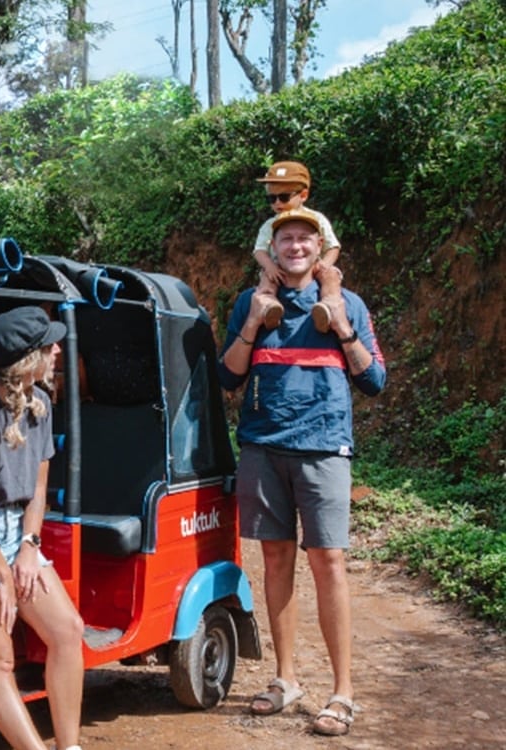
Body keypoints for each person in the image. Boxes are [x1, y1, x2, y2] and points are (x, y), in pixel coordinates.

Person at [217, 207, 386, 738]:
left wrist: (340, 327)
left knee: (329, 561)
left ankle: (343, 692)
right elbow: (227, 376)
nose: (295, 246)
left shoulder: (348, 303)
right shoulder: (251, 301)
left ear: (319, 248)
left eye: (303, 239)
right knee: (274, 557)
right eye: (285, 238)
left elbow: (375, 380)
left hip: (324, 448)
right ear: (275, 246)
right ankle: (286, 679)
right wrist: (252, 320)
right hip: (263, 446)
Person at [0, 306, 85, 750]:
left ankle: (70, 746)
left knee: (69, 630)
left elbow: (38, 491)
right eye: (50, 346)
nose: (58, 350)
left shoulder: (39, 406)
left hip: (16, 530)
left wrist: (28, 547)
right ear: (29, 359)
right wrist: (3, 575)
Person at [252, 160, 343, 333]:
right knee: (267, 280)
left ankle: (328, 307)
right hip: (279, 268)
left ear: (303, 195)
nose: (277, 203)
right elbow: (259, 250)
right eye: (272, 198)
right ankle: (269, 307)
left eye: (284, 197)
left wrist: (325, 264)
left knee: (331, 276)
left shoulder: (317, 219)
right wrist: (270, 266)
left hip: (313, 268)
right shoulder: (270, 224)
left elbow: (333, 246)